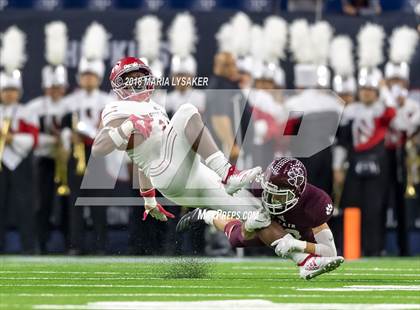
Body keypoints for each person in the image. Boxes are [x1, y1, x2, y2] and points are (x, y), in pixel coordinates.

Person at [92, 56, 263, 221]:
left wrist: (149, 200)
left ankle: (284, 243)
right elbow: (98, 148)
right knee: (187, 110)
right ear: (120, 84)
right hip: (168, 173)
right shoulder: (116, 108)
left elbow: (143, 158)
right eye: (131, 78)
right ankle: (227, 172)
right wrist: (127, 125)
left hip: (192, 170)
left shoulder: (156, 107)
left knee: (252, 211)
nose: (138, 82)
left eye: (140, 77)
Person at [177, 157, 344, 280]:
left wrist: (296, 244)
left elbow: (330, 253)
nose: (269, 200)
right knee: (238, 237)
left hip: (299, 236)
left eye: (277, 197)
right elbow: (245, 231)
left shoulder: (315, 204)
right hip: (268, 227)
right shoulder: (258, 186)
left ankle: (305, 261)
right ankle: (205, 214)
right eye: (267, 192)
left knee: (255, 227)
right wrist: (249, 225)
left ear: (297, 194)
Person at [62, 22, 112, 255]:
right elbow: (62, 126)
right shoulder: (70, 101)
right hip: (76, 154)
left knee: (99, 204)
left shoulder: (107, 100)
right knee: (75, 204)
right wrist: (68, 137)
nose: (88, 79)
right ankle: (75, 245)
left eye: (92, 75)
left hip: (98, 156)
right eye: (85, 75)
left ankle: (101, 245)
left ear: (99, 76)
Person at [26, 21, 70, 254]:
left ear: (64, 87)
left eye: (58, 86)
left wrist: (64, 142)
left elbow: (71, 130)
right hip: (45, 159)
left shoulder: (70, 105)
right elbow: (32, 136)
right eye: (51, 86)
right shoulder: (34, 107)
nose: (55, 90)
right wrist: (53, 142)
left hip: (66, 160)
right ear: (45, 87)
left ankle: (67, 242)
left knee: (66, 204)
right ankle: (40, 242)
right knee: (42, 202)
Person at [0, 27, 39, 254]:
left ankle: (28, 246)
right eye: (5, 90)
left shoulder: (26, 111)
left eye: (13, 90)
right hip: (2, 162)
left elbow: (32, 138)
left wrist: (11, 137)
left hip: (20, 160)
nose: (9, 94)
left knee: (25, 204)